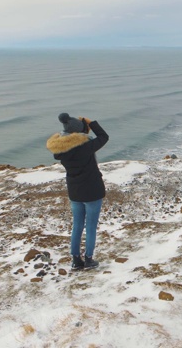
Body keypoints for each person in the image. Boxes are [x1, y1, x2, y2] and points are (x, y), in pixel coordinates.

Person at [46, 113, 109, 270]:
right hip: (92, 191)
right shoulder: (86, 146)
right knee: (91, 226)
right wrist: (91, 122)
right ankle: (88, 259)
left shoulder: (62, 150)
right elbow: (103, 136)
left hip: (75, 192)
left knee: (77, 225)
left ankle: (76, 260)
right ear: (80, 131)